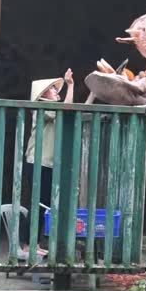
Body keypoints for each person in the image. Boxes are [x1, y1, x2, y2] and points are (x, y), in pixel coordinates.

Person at [18, 68, 94, 261]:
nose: (55, 91)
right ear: (43, 94)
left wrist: (93, 93)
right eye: (52, 89)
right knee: (38, 204)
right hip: (38, 162)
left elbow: (76, 112)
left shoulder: (55, 110)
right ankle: (27, 245)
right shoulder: (42, 109)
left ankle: (33, 244)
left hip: (47, 164)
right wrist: (71, 85)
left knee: (43, 205)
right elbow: (68, 109)